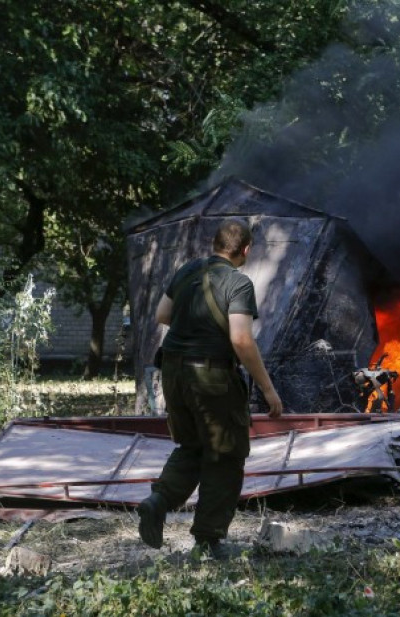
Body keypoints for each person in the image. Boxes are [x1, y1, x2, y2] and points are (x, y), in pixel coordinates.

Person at [137, 217, 283, 560]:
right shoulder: (238, 283)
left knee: (193, 445)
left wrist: (196, 323)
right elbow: (242, 340)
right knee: (225, 455)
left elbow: (162, 313)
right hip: (211, 377)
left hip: (172, 372)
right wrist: (268, 388)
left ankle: (158, 502)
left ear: (215, 245)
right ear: (245, 249)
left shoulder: (188, 270)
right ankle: (208, 541)